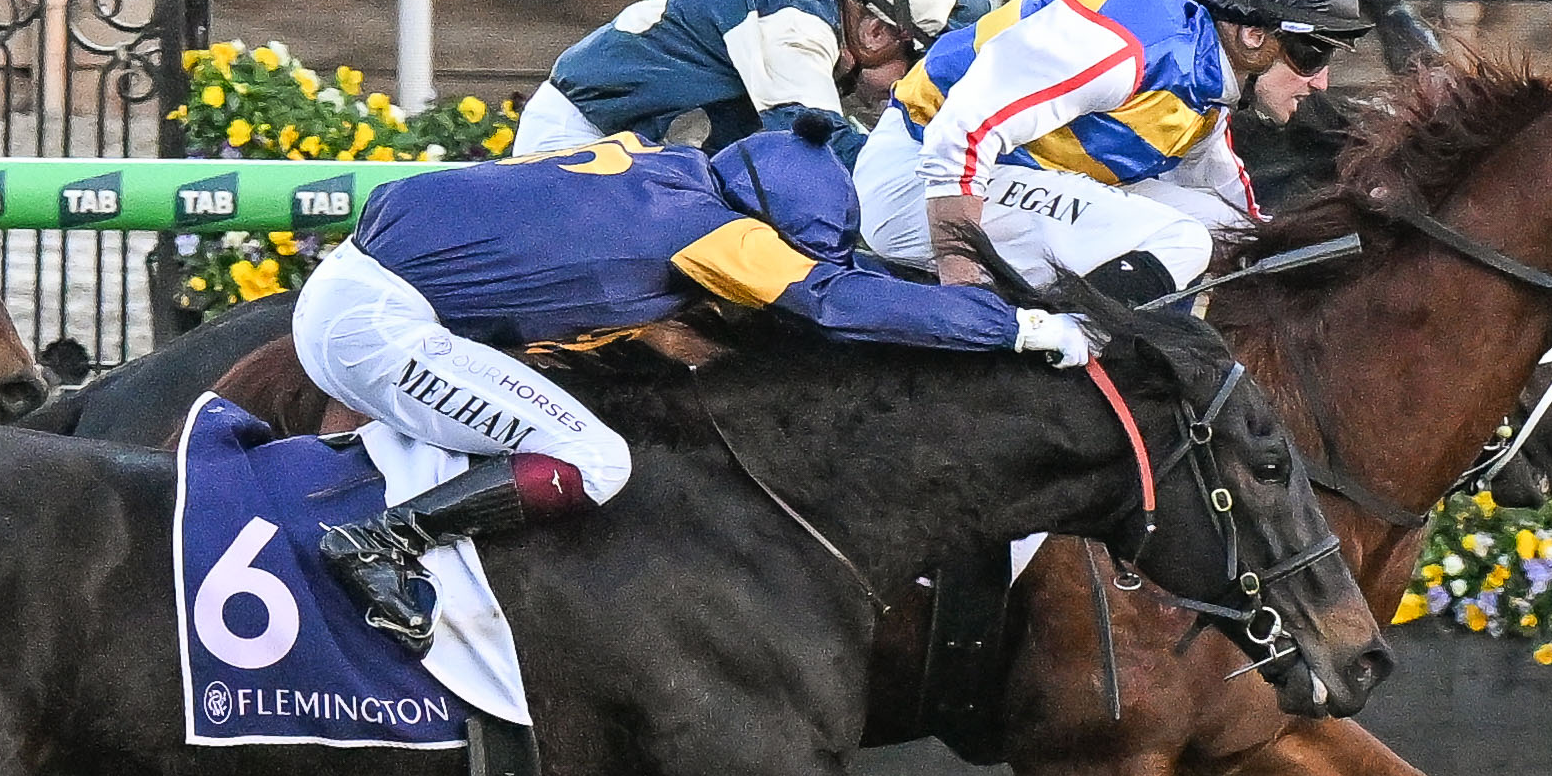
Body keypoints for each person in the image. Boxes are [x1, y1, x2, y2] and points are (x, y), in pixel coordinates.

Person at [298, 126, 1090, 651]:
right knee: (594, 459)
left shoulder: (658, 159)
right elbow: (838, 301)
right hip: (381, 328)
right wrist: (1019, 328)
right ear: (769, 228)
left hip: (359, 287)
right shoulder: (724, 236)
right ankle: (380, 542)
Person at [856, 0, 1367, 303]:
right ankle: (1076, 360)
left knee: (1224, 229)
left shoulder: (1208, 90)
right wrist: (960, 276)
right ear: (1254, 37)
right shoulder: (1126, 48)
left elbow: (1245, 224)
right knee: (1179, 240)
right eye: (1312, 56)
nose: (1319, 82)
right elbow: (959, 130)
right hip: (916, 176)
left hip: (996, 172)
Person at [512, 0, 990, 159]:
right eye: (920, 66)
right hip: (579, 144)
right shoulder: (793, 11)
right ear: (877, 32)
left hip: (628, 151)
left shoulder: (806, 6)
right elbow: (812, 147)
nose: (918, 90)